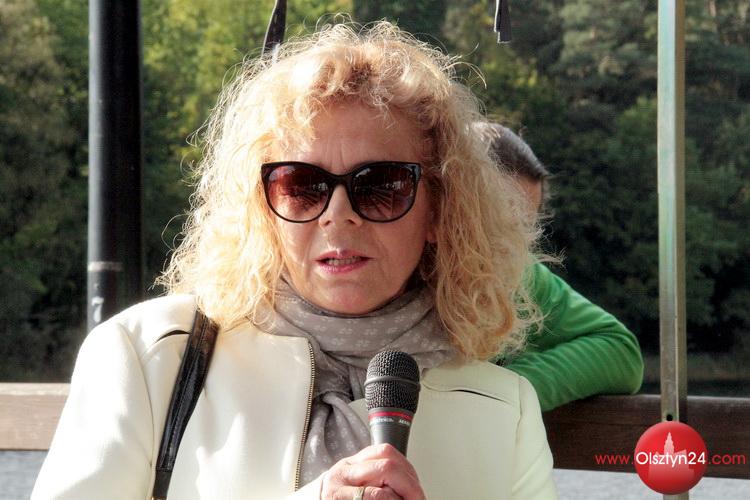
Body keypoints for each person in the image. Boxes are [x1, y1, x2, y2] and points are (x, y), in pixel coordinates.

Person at [32, 23, 557, 500]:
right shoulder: (149, 357)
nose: (338, 215)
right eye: (302, 185)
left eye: (380, 186)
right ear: (263, 209)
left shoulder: (503, 409)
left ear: (440, 211)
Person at [475, 121, 644, 412]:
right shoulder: (399, 268)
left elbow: (620, 352)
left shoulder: (518, 274)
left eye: (526, 227)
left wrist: (508, 390)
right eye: (499, 220)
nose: (513, 245)